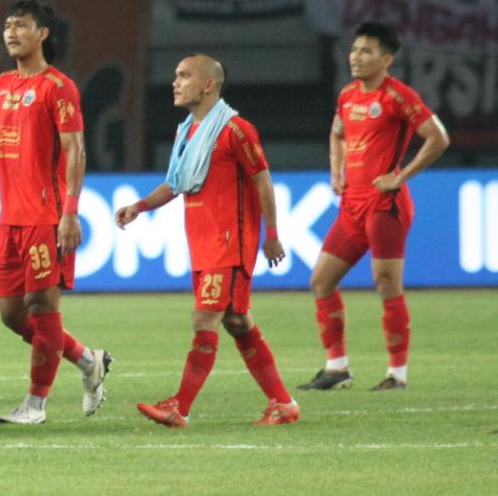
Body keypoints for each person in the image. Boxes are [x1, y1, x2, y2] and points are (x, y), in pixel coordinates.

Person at [116, 53, 298, 428]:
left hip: (230, 241)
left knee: (205, 317)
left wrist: (273, 235)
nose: (175, 82)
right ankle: (283, 403)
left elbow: (263, 179)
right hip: (203, 241)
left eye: (184, 76)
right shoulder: (189, 131)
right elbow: (176, 183)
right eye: (176, 75)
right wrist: (139, 206)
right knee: (237, 322)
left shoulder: (236, 130)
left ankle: (178, 407)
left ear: (208, 85)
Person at [0, 0, 111, 425]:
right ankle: (87, 361)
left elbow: (75, 149)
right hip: (10, 218)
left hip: (47, 215)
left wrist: (70, 212)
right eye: (7, 25)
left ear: (42, 34)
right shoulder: (2, 84)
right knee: (12, 315)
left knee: (43, 306)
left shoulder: (58, 87)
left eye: (20, 25)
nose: (10, 32)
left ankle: (35, 404)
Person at [300, 23, 450, 391]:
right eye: (354, 49)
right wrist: (336, 172)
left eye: (366, 51)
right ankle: (336, 369)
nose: (356, 57)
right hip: (352, 205)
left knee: (386, 284)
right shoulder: (348, 95)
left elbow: (438, 138)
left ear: (387, 58)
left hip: (386, 205)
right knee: (321, 280)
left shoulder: (398, 96)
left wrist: (400, 177)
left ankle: (396, 374)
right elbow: (336, 133)